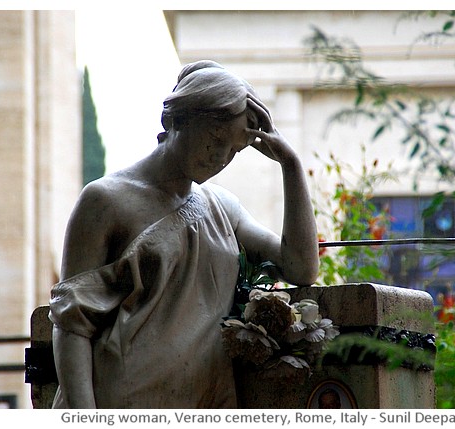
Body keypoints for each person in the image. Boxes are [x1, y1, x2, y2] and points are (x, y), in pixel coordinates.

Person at [48, 60, 319, 408]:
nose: (222, 156)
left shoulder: (224, 207)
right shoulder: (105, 200)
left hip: (204, 398)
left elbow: (301, 268)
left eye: (235, 150)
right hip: (124, 397)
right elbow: (72, 324)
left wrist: (290, 165)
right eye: (216, 138)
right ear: (175, 121)